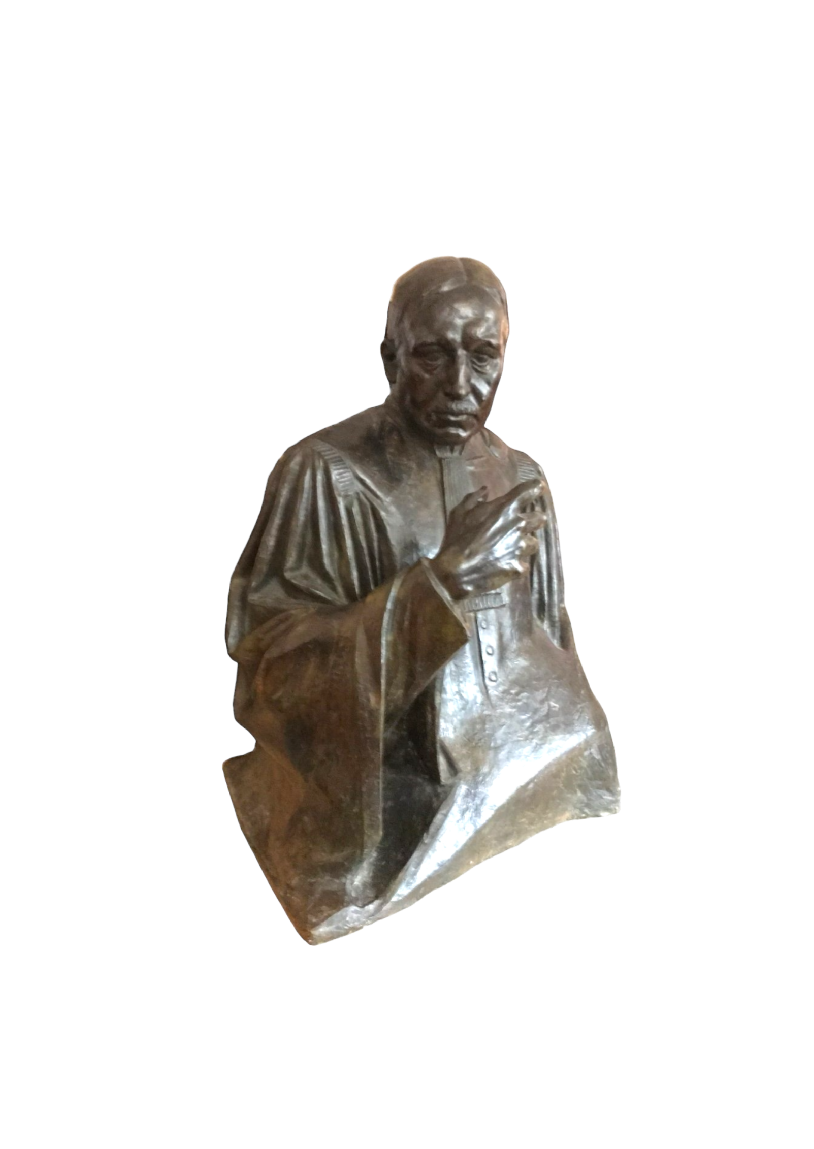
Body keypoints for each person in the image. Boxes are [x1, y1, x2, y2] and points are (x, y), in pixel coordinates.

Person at [224, 255, 622, 943]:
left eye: (483, 356)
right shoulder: (324, 474)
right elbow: (273, 666)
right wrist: (440, 586)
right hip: (387, 778)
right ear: (391, 357)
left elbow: (551, 638)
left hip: (519, 748)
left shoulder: (523, 477)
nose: (460, 385)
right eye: (432, 355)